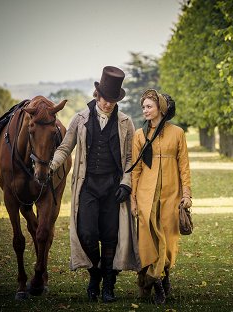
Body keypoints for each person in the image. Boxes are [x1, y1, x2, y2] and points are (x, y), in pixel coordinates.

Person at [50, 66, 140, 303]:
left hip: (113, 186)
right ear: (97, 95)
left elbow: (130, 158)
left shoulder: (125, 122)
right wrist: (50, 166)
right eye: (105, 99)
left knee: (111, 236)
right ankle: (95, 274)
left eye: (112, 100)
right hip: (87, 185)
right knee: (87, 234)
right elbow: (65, 148)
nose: (108, 104)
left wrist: (126, 182)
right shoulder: (80, 119)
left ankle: (109, 284)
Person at [129, 89, 192, 304]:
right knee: (148, 241)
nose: (145, 110)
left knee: (169, 240)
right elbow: (135, 170)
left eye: (149, 106)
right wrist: (134, 200)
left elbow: (184, 167)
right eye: (143, 107)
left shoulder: (178, 133)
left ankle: (163, 276)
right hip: (146, 196)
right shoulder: (140, 135)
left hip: (171, 196)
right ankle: (158, 285)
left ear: (160, 109)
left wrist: (187, 195)